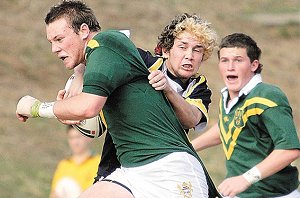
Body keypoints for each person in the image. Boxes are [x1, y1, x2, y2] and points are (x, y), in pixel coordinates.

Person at [15, 1, 221, 197]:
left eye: (197, 50)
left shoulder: (198, 86)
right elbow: (107, 47)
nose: (189, 56)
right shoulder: (144, 60)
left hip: (166, 166)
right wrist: (77, 84)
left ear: (84, 30)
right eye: (183, 47)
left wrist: (36, 108)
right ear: (166, 50)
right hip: (126, 165)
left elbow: (193, 119)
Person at [191, 33, 300, 198]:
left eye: (238, 60)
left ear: (254, 65)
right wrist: (188, 147)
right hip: (239, 194)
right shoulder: (228, 95)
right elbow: (227, 126)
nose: (230, 67)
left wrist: (246, 179)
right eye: (225, 60)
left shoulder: (267, 96)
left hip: (275, 195)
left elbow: (289, 149)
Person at [50, 125, 100, 198]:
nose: (75, 142)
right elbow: (54, 194)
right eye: (71, 138)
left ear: (88, 137)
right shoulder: (63, 165)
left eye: (78, 137)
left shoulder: (98, 162)